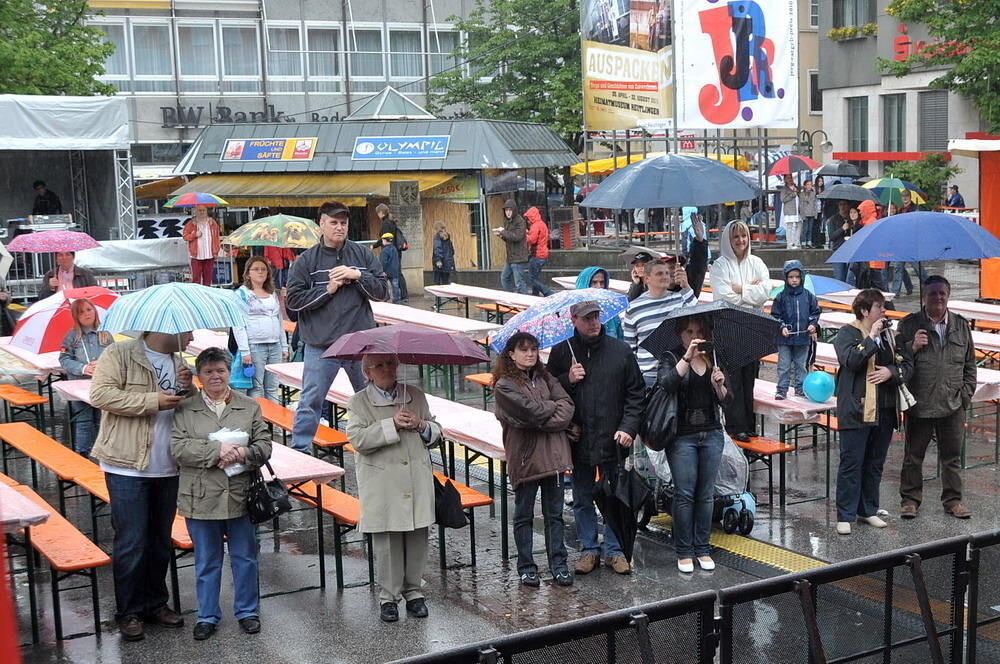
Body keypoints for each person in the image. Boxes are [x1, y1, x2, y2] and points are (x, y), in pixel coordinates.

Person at [89, 331, 195, 640]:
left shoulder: (179, 362)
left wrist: (189, 390)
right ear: (166, 329)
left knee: (160, 540)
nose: (191, 336)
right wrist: (153, 401)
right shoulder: (120, 354)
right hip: (126, 464)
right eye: (187, 331)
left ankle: (155, 603)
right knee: (132, 540)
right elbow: (101, 395)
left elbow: (187, 410)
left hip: (167, 464)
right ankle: (129, 611)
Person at [171, 347, 272, 640]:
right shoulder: (185, 408)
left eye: (221, 370)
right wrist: (217, 450)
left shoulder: (249, 406)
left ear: (229, 372)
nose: (215, 376)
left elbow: (264, 445)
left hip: (240, 494)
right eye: (208, 372)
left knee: (245, 557)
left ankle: (247, 611)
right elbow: (178, 448)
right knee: (206, 560)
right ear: (199, 376)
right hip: (201, 495)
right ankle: (207, 615)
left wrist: (242, 453)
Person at [547, 302, 644, 575]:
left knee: (615, 496)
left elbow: (636, 393)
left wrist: (628, 428)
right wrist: (568, 379)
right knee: (582, 496)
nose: (593, 323)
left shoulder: (620, 351)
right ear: (573, 320)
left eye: (596, 317)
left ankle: (615, 549)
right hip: (579, 438)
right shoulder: (562, 351)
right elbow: (548, 391)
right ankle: (589, 548)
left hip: (614, 438)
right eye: (587, 318)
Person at [285, 200, 389, 453]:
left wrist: (358, 275)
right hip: (322, 345)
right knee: (310, 401)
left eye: (343, 223)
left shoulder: (362, 255)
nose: (339, 227)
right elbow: (293, 303)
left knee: (373, 399)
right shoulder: (306, 261)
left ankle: (382, 448)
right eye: (333, 222)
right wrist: (327, 290)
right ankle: (300, 452)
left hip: (359, 345)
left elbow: (382, 292)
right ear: (321, 224)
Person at [346, 353, 442, 623]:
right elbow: (358, 440)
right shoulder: (358, 402)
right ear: (367, 373)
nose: (387, 369)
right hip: (383, 483)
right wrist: (392, 425)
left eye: (391, 364)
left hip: (415, 478)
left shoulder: (415, 395)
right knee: (388, 543)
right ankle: (388, 597)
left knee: (417, 537)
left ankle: (414, 592)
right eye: (379, 365)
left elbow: (436, 432)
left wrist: (421, 425)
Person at [493, 332, 575, 587]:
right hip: (525, 458)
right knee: (524, 515)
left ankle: (559, 565)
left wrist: (544, 413)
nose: (530, 354)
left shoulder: (545, 376)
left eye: (533, 349)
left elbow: (567, 405)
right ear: (511, 354)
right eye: (524, 349)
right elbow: (530, 412)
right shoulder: (504, 385)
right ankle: (526, 566)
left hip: (554, 456)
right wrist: (550, 408)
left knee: (555, 515)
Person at [832, 289, 912, 535]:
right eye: (879, 307)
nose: (884, 311)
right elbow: (851, 361)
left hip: (885, 408)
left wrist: (891, 372)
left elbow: (907, 365)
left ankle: (868, 510)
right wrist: (871, 338)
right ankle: (845, 514)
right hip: (856, 409)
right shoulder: (846, 333)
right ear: (865, 311)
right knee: (852, 462)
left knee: (875, 462)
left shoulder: (891, 335)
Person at [895, 276, 976, 520]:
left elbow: (970, 365)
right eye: (932, 293)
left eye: (942, 293)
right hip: (920, 403)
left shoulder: (961, 325)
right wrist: (912, 347)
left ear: (948, 296)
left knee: (952, 458)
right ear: (924, 296)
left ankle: (953, 501)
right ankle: (910, 500)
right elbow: (896, 362)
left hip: (952, 403)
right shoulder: (910, 325)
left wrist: (965, 396)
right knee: (913, 457)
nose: (938, 298)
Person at [656, 314, 731, 572]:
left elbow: (727, 399)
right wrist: (687, 358)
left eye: (699, 331)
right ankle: (684, 550)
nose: (695, 336)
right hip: (682, 435)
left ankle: (703, 547)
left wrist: (719, 386)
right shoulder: (670, 357)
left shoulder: (714, 358)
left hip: (711, 433)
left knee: (706, 494)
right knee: (685, 493)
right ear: (680, 334)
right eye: (689, 332)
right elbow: (666, 384)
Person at [710, 220, 771, 441]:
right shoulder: (719, 266)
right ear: (728, 239)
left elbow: (765, 292)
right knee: (733, 380)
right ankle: (736, 427)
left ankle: (749, 424)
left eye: (744, 236)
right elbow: (724, 297)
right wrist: (750, 291)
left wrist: (740, 289)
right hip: (728, 329)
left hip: (752, 329)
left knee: (749, 379)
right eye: (736, 237)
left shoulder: (757, 263)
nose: (741, 240)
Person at [624, 257, 698, 387]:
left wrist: (686, 286)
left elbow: (699, 315)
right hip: (648, 376)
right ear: (647, 278)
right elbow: (630, 347)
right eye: (659, 273)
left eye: (667, 273)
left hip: (678, 371)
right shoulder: (634, 307)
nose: (665, 277)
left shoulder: (679, 299)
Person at [58, 299, 114, 457]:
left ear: (94, 310)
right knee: (84, 420)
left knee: (103, 419)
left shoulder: (105, 334)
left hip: (103, 384)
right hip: (79, 385)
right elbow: (64, 359)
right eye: (81, 312)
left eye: (89, 309)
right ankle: (82, 453)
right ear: (76, 316)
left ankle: (101, 452)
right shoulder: (71, 337)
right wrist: (83, 368)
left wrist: (103, 363)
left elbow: (115, 356)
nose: (86, 314)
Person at [233, 256, 288, 402]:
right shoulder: (242, 294)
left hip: (275, 345)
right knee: (256, 386)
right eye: (256, 269)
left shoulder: (272, 293)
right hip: (255, 346)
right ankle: (259, 415)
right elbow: (238, 324)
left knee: (273, 386)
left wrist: (284, 345)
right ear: (248, 273)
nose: (260, 272)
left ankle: (274, 416)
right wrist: (245, 351)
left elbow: (279, 320)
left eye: (263, 269)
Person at [770, 260, 820, 400]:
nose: (794, 280)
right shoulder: (780, 297)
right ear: (786, 278)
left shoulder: (809, 296)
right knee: (784, 365)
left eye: (797, 277)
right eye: (791, 277)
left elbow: (815, 312)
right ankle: (781, 389)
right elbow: (775, 315)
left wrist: (812, 324)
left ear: (801, 277)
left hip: (803, 338)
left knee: (801, 365)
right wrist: (782, 326)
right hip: (784, 339)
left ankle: (800, 388)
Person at [574, 267, 624, 340]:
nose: (599, 286)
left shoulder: (611, 312)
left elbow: (620, 339)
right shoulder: (573, 311)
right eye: (594, 282)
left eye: (602, 282)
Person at [495, 199, 528, 294]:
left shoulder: (520, 221)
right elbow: (509, 238)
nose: (508, 212)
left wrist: (503, 231)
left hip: (518, 257)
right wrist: (501, 235)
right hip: (510, 257)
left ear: (514, 210)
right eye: (506, 210)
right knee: (504, 278)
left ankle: (524, 300)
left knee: (519, 282)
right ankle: (511, 297)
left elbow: (517, 237)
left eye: (510, 210)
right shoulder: (508, 221)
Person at [182, 206, 221, 286]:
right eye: (200, 210)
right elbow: (185, 236)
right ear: (196, 212)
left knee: (208, 279)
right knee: (196, 279)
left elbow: (217, 237)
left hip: (210, 255)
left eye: (203, 210)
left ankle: (206, 292)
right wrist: (194, 235)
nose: (202, 212)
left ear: (206, 211)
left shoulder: (213, 223)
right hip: (196, 256)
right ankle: (197, 292)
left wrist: (216, 251)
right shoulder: (191, 224)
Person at [376, 204, 408, 300]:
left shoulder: (386, 223)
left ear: (381, 213)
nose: (378, 215)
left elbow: (384, 237)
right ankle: (402, 295)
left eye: (378, 213)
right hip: (396, 250)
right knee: (398, 273)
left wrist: (375, 245)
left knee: (391, 275)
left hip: (390, 250)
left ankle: (395, 296)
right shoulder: (391, 221)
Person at [857, 200, 887, 291]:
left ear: (866, 210)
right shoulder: (869, 222)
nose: (860, 213)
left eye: (861, 210)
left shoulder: (871, 223)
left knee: (878, 286)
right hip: (873, 260)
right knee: (876, 285)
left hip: (873, 261)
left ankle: (886, 300)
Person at [524, 206, 553, 297]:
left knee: (532, 279)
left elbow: (532, 240)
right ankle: (535, 295)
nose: (527, 220)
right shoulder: (542, 224)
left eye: (528, 218)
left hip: (537, 254)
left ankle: (548, 292)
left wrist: (525, 235)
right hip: (543, 254)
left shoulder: (535, 226)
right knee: (535, 277)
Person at [826, 201, 856, 284]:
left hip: (850, 250)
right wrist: (842, 229)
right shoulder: (833, 220)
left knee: (849, 278)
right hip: (838, 250)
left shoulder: (851, 219)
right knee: (839, 277)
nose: (842, 207)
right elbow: (832, 236)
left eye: (845, 205)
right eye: (841, 204)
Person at [779, 175, 802, 250]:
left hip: (797, 210)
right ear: (785, 179)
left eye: (791, 178)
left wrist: (797, 191)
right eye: (788, 178)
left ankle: (797, 242)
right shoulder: (784, 189)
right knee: (790, 227)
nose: (790, 179)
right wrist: (792, 194)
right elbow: (783, 199)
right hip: (789, 210)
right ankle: (789, 244)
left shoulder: (796, 187)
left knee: (799, 225)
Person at [379, 233, 402, 303]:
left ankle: (385, 298)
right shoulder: (394, 249)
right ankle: (397, 300)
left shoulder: (384, 250)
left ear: (385, 240)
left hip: (386, 271)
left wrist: (382, 270)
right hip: (395, 271)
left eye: (382, 240)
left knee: (384, 285)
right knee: (395, 286)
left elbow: (383, 262)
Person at [799, 179, 817, 250]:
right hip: (805, 214)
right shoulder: (802, 194)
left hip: (811, 213)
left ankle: (809, 242)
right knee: (805, 229)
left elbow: (815, 204)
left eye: (810, 185)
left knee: (810, 229)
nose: (809, 186)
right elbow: (801, 205)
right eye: (808, 184)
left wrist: (815, 214)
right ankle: (803, 242)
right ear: (805, 186)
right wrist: (802, 214)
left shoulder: (813, 193)